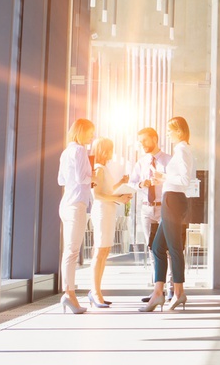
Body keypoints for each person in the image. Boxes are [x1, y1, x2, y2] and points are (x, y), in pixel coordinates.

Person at [140, 116, 193, 312]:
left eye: (170, 130)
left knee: (174, 248)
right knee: (157, 247)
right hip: (170, 199)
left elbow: (185, 180)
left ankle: (178, 293)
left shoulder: (182, 150)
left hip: (173, 200)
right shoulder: (180, 150)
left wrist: (164, 176)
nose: (168, 134)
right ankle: (157, 294)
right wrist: (165, 177)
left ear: (179, 131)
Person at [128, 127, 172, 302]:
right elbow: (132, 183)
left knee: (166, 250)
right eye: (140, 141)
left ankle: (170, 289)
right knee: (152, 250)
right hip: (146, 209)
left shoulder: (169, 160)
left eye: (145, 140)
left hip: (164, 209)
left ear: (155, 138)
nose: (142, 144)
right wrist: (141, 184)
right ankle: (157, 290)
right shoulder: (141, 162)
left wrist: (163, 179)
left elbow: (177, 182)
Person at [57, 118, 95, 314]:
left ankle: (68, 293)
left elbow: (61, 179)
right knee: (71, 253)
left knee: (69, 252)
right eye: (90, 132)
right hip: (76, 205)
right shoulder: (80, 150)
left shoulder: (66, 152)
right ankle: (69, 294)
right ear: (81, 131)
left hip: (66, 204)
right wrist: (94, 177)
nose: (92, 136)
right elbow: (82, 178)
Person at [88, 138, 131, 308]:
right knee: (99, 252)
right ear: (105, 150)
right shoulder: (98, 169)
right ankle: (95, 292)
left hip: (108, 212)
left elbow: (108, 190)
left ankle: (97, 291)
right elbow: (97, 195)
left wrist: (121, 184)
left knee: (104, 252)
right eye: (111, 149)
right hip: (102, 213)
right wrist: (119, 198)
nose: (113, 152)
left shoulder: (103, 169)